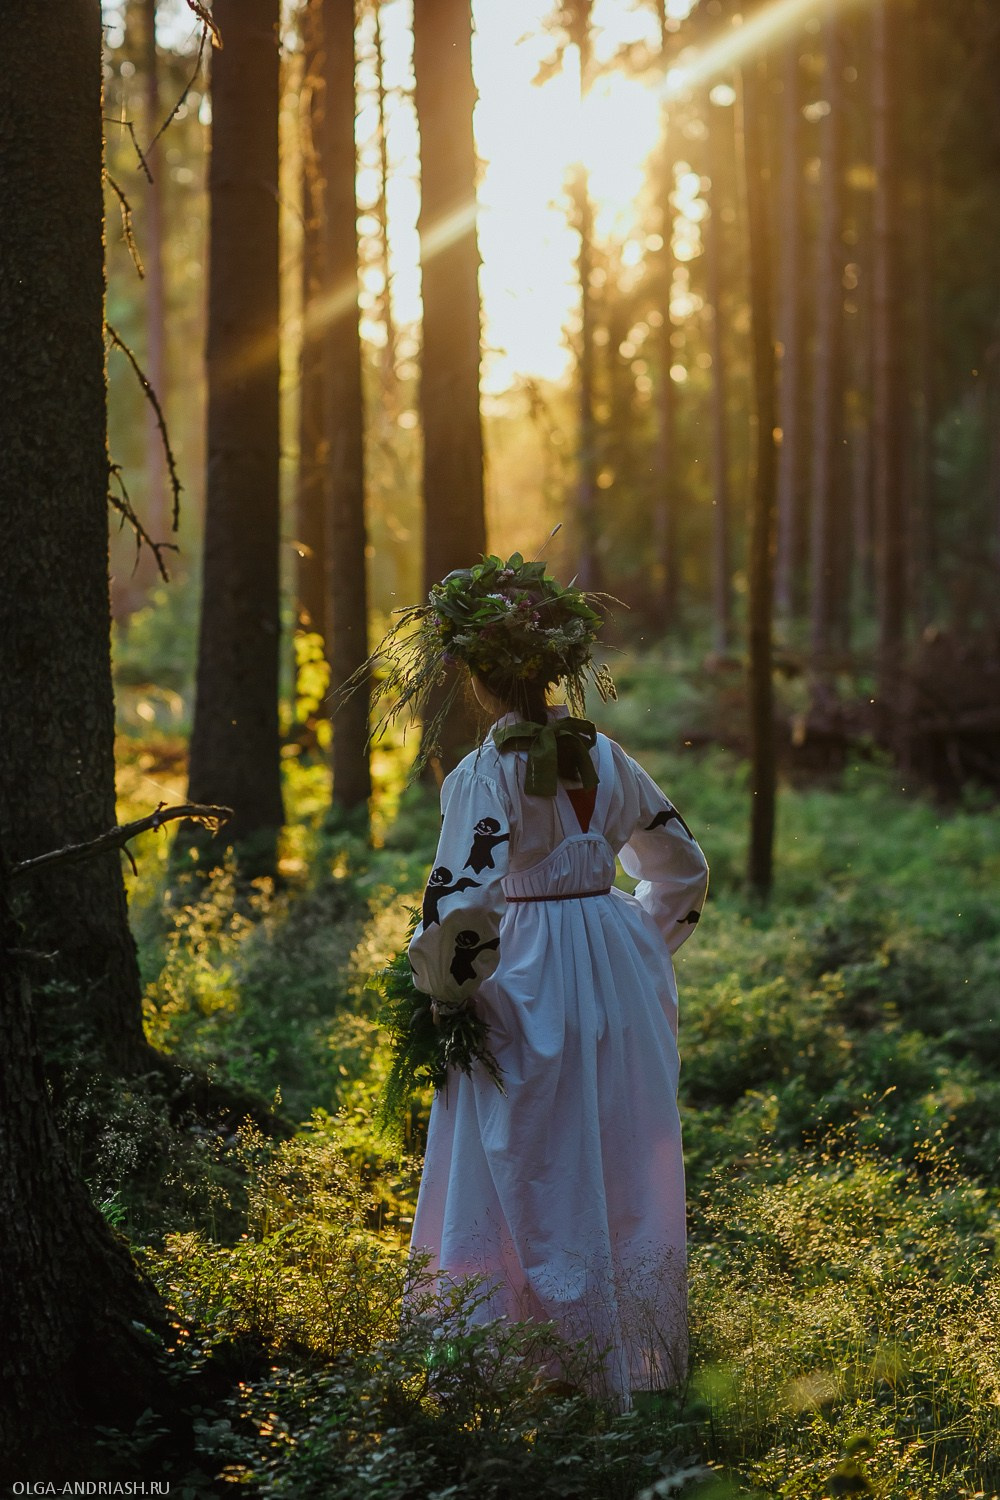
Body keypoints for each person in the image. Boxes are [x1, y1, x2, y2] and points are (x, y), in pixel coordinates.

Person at [368, 552, 708, 1404]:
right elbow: (683, 868)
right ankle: (627, 1358)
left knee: (524, 1161)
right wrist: (639, 949)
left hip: (525, 981)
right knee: (619, 1155)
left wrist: (451, 1000)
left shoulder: (486, 772)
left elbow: (461, 908)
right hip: (620, 983)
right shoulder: (612, 758)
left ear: (479, 678)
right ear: (556, 666)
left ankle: (521, 1364)